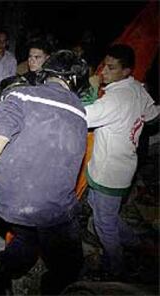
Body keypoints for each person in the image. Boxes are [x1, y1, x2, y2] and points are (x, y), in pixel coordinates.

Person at [0, 50, 90, 295]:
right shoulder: (80, 110)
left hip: (11, 204)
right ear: (72, 79)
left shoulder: (19, 93)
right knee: (69, 266)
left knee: (25, 242)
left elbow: (1, 137)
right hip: (53, 208)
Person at [84, 44, 159, 279]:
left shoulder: (114, 99)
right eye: (104, 65)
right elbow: (154, 117)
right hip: (123, 165)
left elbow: (81, 116)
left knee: (104, 225)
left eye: (111, 68)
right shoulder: (137, 88)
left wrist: (91, 88)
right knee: (104, 211)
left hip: (109, 172)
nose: (104, 72)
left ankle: (115, 270)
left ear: (126, 71)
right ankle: (136, 243)